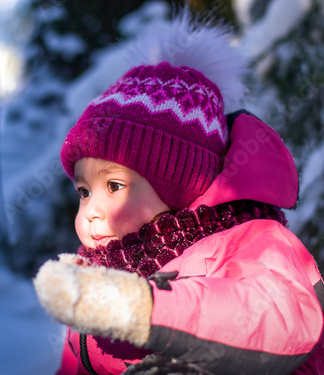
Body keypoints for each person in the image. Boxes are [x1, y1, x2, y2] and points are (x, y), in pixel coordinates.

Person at [33, 9, 324, 375]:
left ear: (181, 184)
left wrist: (143, 309)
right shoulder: (103, 274)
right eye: (84, 191)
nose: (91, 210)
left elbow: (283, 322)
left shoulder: (253, 241)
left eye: (114, 186)